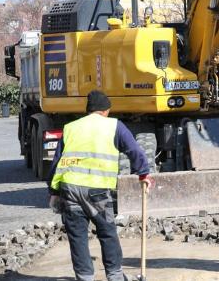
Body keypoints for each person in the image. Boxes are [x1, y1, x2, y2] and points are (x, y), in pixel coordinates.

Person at [48, 90, 152, 281]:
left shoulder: (71, 127)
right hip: (96, 191)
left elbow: (57, 162)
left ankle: (85, 277)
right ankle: (114, 275)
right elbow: (134, 150)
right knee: (107, 231)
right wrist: (143, 173)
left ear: (89, 111)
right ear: (106, 110)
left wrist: (53, 191)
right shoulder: (114, 126)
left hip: (69, 188)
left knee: (77, 236)